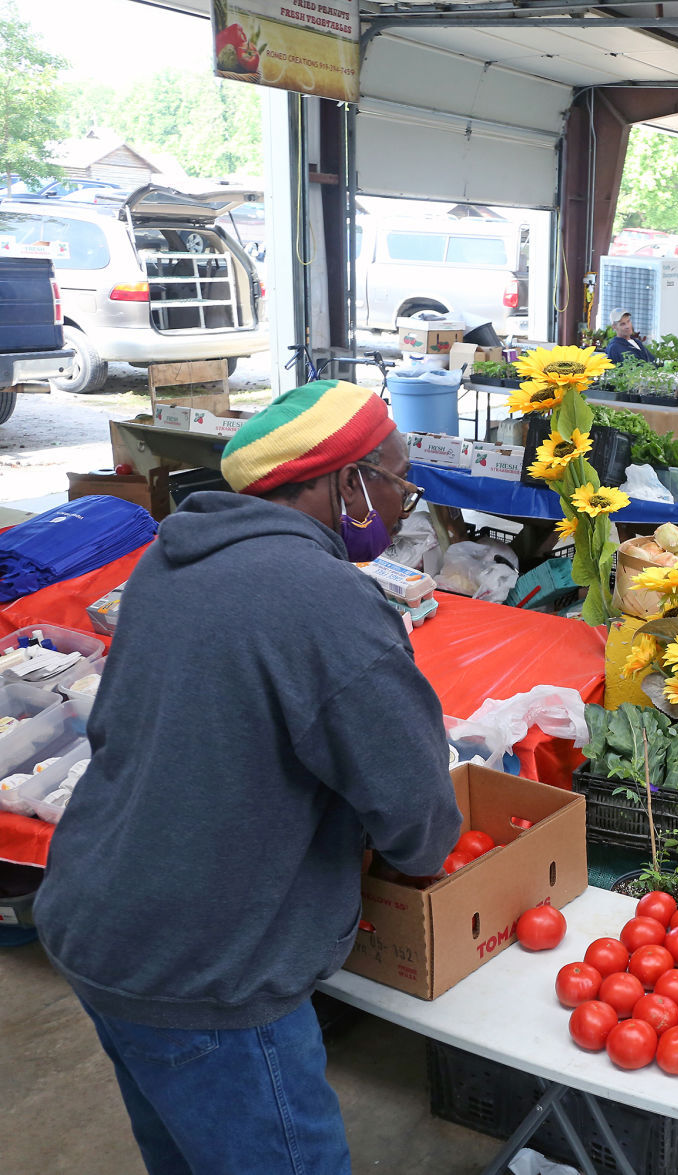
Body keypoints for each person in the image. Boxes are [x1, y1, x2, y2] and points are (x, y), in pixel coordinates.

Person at [34, 380, 462, 1175]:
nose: (406, 506)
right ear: (347, 482)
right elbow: (418, 816)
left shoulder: (170, 557)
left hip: (95, 915)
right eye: (401, 483)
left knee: (190, 1153)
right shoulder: (327, 600)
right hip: (206, 965)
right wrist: (419, 851)